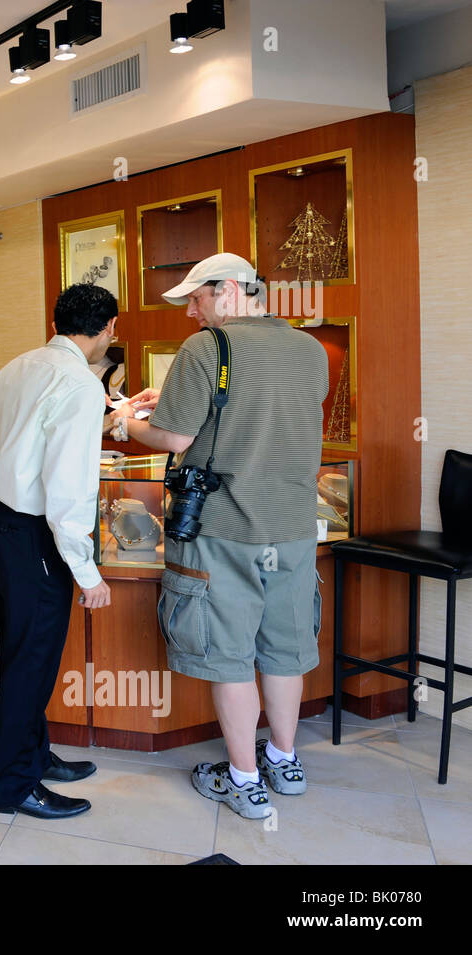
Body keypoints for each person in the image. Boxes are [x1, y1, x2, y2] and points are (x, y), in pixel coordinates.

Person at [110, 253, 328, 820]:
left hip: (223, 530)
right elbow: (264, 417)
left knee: (229, 655)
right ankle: (285, 760)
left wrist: (121, 423)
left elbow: (175, 439)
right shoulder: (310, 349)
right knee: (284, 651)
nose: (190, 311)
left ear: (229, 290)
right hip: (294, 529)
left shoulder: (208, 348)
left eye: (196, 298)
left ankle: (244, 782)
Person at [0, 283, 118, 821]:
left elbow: (18, 442)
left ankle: (33, 754)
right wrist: (87, 573)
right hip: (35, 530)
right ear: (107, 328)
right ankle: (12, 785)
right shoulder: (81, 383)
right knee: (30, 662)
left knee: (21, 652)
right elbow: (66, 489)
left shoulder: (18, 366)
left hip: (2, 519)